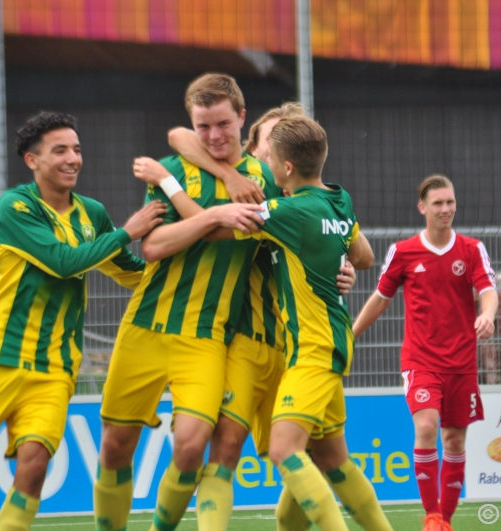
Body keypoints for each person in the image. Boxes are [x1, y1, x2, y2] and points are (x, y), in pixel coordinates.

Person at [0, 111, 165, 531]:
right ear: (32, 160)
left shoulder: (91, 213)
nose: (73, 158)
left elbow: (129, 271)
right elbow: (61, 262)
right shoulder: (16, 205)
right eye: (60, 150)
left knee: (34, 468)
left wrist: (184, 252)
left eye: (76, 149)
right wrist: (127, 230)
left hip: (55, 368)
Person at [134, 101, 363, 531]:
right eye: (270, 139)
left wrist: (345, 267)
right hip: (249, 344)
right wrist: (227, 174)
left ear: (289, 161)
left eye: (284, 140)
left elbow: (358, 249)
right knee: (225, 449)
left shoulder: (298, 205)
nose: (274, 150)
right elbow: (180, 136)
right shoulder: (257, 189)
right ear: (255, 149)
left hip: (298, 352)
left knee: (321, 457)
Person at [92, 73, 273, 531]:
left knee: (191, 447)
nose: (213, 136)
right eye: (203, 126)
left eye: (223, 125)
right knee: (115, 446)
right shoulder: (174, 168)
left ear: (242, 119)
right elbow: (153, 246)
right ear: (193, 125)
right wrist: (214, 210)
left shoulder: (262, 180)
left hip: (207, 338)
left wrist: (339, 270)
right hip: (146, 328)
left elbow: (254, 236)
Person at [208, 115, 392, 531]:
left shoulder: (288, 211)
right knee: (327, 463)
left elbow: (215, 228)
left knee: (284, 450)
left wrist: (173, 190)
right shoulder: (338, 198)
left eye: (271, 158)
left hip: (312, 348)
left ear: (286, 168)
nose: (267, 165)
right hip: (327, 342)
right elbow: (358, 252)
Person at [352, 174, 498, 531]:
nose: (446, 209)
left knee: (454, 438)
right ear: (423, 208)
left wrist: (487, 315)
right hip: (421, 360)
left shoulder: (471, 249)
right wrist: (349, 335)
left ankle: (444, 521)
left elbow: (488, 289)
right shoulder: (403, 252)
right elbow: (380, 299)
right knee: (427, 426)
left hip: (462, 362)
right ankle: (432, 515)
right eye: (438, 203)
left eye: (450, 202)